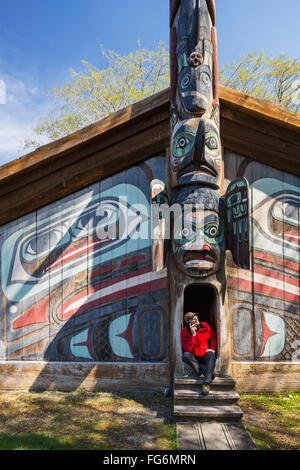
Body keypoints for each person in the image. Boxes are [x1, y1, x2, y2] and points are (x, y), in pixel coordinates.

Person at [181, 311, 216, 395]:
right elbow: (187, 349)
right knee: (185, 356)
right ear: (188, 322)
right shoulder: (185, 332)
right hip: (193, 356)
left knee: (211, 354)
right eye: (193, 318)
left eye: (195, 316)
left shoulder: (205, 326)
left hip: (204, 353)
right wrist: (193, 335)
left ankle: (206, 383)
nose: (196, 318)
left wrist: (212, 349)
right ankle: (206, 372)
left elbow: (213, 337)